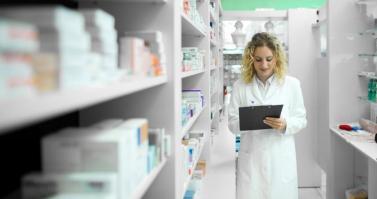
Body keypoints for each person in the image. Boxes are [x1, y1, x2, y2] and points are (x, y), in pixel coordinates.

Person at [228, 32, 307, 199]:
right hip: (252, 159)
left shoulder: (292, 84)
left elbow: (301, 119)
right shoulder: (240, 86)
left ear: (276, 58)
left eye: (269, 59)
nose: (264, 65)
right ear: (251, 59)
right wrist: (248, 120)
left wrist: (285, 124)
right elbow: (232, 123)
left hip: (280, 158)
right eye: (258, 59)